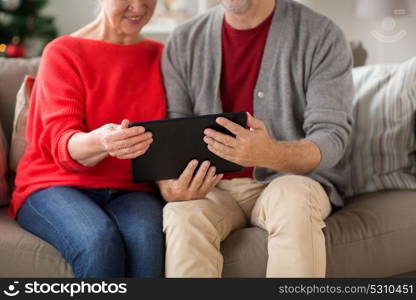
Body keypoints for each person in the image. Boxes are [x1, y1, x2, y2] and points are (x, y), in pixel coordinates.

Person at [159, 0, 353, 277]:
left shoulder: (321, 34)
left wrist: (269, 153)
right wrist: (172, 188)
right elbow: (172, 134)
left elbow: (332, 138)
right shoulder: (184, 39)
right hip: (213, 188)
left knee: (292, 200)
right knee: (182, 216)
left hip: (289, 180)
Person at [10, 0, 166, 278]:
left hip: (132, 189)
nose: (138, 8)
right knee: (99, 241)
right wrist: (102, 143)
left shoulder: (162, 56)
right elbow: (61, 141)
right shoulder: (64, 52)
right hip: (53, 184)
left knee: (148, 239)